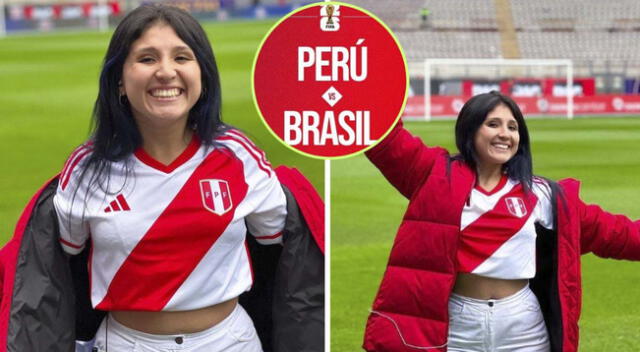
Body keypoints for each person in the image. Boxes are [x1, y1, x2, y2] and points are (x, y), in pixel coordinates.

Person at [35, 4, 319, 352]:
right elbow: (60, 263)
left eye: (182, 57)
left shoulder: (240, 156)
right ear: (119, 80)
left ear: (203, 74)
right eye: (147, 58)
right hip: (127, 344)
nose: (166, 72)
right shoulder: (86, 169)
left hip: (231, 342)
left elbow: (279, 247)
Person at [362, 91, 640, 352]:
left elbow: (617, 234)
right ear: (470, 130)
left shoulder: (545, 195)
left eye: (512, 127)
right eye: (493, 124)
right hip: (457, 324)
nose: (505, 134)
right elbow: (384, 138)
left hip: (523, 326)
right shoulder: (433, 174)